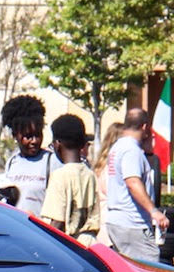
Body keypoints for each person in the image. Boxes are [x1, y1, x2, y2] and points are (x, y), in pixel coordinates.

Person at [101, 107, 167, 261]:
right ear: (144, 127)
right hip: (132, 223)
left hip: (117, 221)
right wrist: (153, 211)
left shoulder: (117, 148)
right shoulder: (131, 150)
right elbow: (132, 182)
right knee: (150, 269)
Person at [38, 113, 100, 244]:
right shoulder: (90, 174)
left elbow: (58, 222)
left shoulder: (60, 175)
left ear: (57, 144)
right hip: (90, 244)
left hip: (69, 247)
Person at [0, 94, 57, 212]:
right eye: (28, 137)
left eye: (38, 135)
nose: (34, 141)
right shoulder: (12, 162)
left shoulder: (51, 162)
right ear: (15, 135)